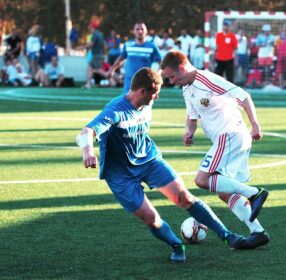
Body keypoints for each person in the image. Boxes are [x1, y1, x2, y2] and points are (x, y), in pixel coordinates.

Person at [76, 67, 263, 264]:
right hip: (120, 174)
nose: (156, 98)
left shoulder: (145, 101)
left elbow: (155, 74)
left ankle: (228, 236)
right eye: (155, 93)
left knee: (185, 198)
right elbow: (86, 131)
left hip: (149, 160)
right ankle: (176, 245)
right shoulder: (116, 111)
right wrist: (88, 151)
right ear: (142, 92)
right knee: (151, 218)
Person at [161, 50, 270, 247]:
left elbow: (243, 96)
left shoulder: (208, 80)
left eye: (172, 76)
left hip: (229, 135)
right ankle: (258, 232)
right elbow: (192, 116)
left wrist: (255, 124)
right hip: (230, 138)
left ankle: (254, 193)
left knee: (202, 180)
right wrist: (189, 132)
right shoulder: (187, 88)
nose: (171, 81)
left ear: (183, 68)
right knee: (225, 192)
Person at [110, 21, 161, 93]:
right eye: (137, 29)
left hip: (145, 87)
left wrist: (156, 76)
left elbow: (162, 63)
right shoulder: (128, 45)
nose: (140, 31)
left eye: (142, 29)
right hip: (128, 87)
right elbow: (121, 59)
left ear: (146, 31)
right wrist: (112, 70)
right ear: (133, 31)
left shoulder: (152, 46)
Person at [76, 19, 106, 89]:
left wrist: (80, 47)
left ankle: (110, 76)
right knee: (90, 68)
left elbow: (90, 44)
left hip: (96, 55)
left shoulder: (95, 34)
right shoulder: (100, 34)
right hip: (99, 55)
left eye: (90, 27)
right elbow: (104, 45)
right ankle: (88, 84)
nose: (89, 28)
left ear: (93, 27)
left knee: (98, 70)